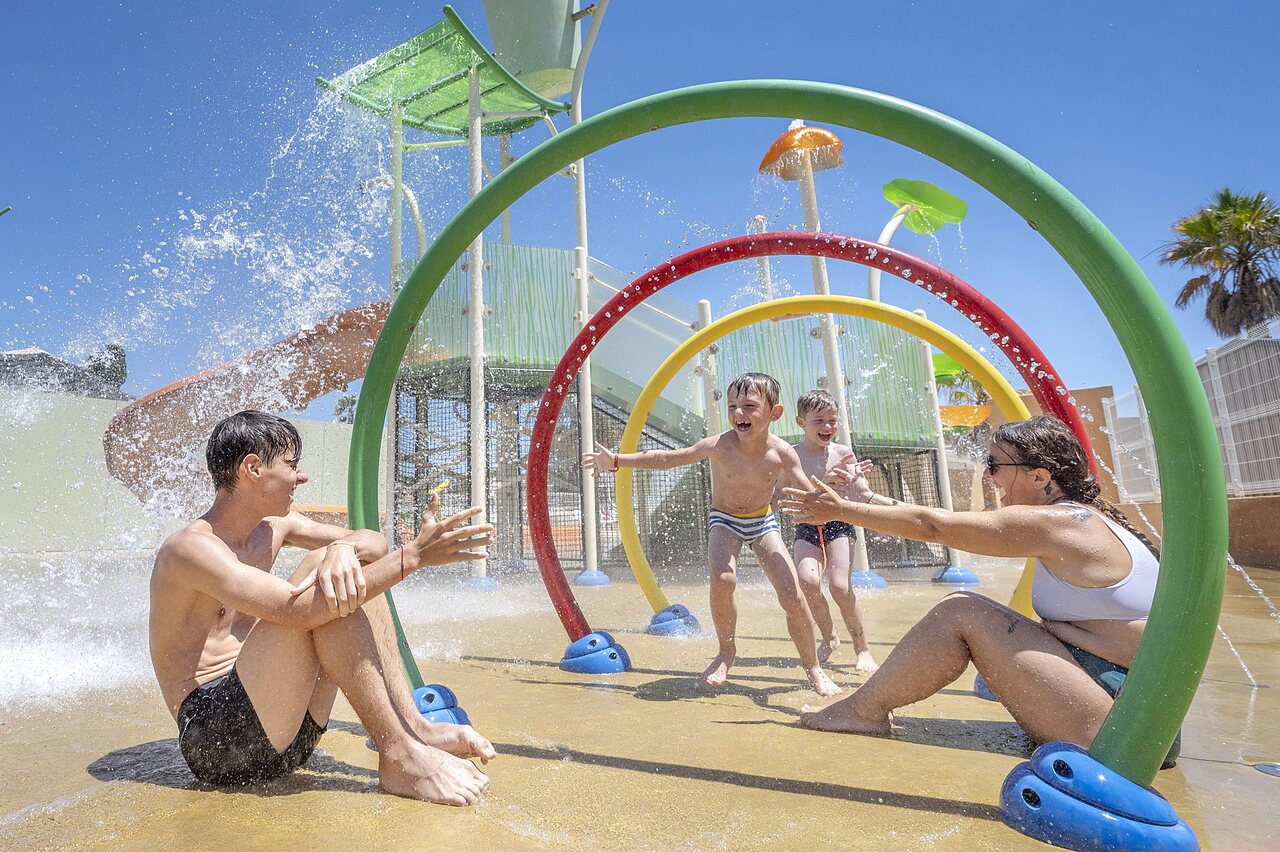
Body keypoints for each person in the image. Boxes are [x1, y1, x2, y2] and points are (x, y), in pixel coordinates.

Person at [149, 411, 498, 805]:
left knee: (349, 568)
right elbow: (296, 612)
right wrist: (412, 557)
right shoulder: (190, 550)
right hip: (219, 742)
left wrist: (343, 548)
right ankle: (399, 753)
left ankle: (414, 728)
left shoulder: (275, 527)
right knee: (325, 581)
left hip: (290, 734)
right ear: (252, 468)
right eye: (292, 465)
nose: (302, 477)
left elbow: (373, 543)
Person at [781, 415, 1159, 749]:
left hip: (1117, 726)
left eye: (995, 464)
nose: (989, 476)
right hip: (1131, 712)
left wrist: (841, 510)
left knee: (960, 612)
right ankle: (865, 703)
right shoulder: (1088, 519)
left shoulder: (1057, 524)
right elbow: (942, 520)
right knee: (979, 612)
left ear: (1040, 476)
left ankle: (862, 709)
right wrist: (867, 497)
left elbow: (936, 527)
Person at [583, 373, 841, 697]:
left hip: (763, 521)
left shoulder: (782, 453)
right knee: (723, 579)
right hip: (725, 520)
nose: (739, 414)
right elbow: (668, 458)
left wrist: (841, 504)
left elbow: (809, 490)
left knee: (792, 596)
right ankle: (726, 652)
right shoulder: (719, 445)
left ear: (774, 413)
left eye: (749, 406)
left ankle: (814, 668)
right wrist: (619, 460)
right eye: (733, 406)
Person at [789, 390, 879, 673]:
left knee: (840, 586)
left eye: (832, 420)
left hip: (838, 524)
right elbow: (780, 493)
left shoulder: (843, 453)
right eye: (819, 421)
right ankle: (829, 637)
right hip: (806, 525)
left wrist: (861, 487)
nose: (827, 427)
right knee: (808, 582)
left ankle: (863, 649)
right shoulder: (791, 455)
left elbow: (860, 492)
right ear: (801, 422)